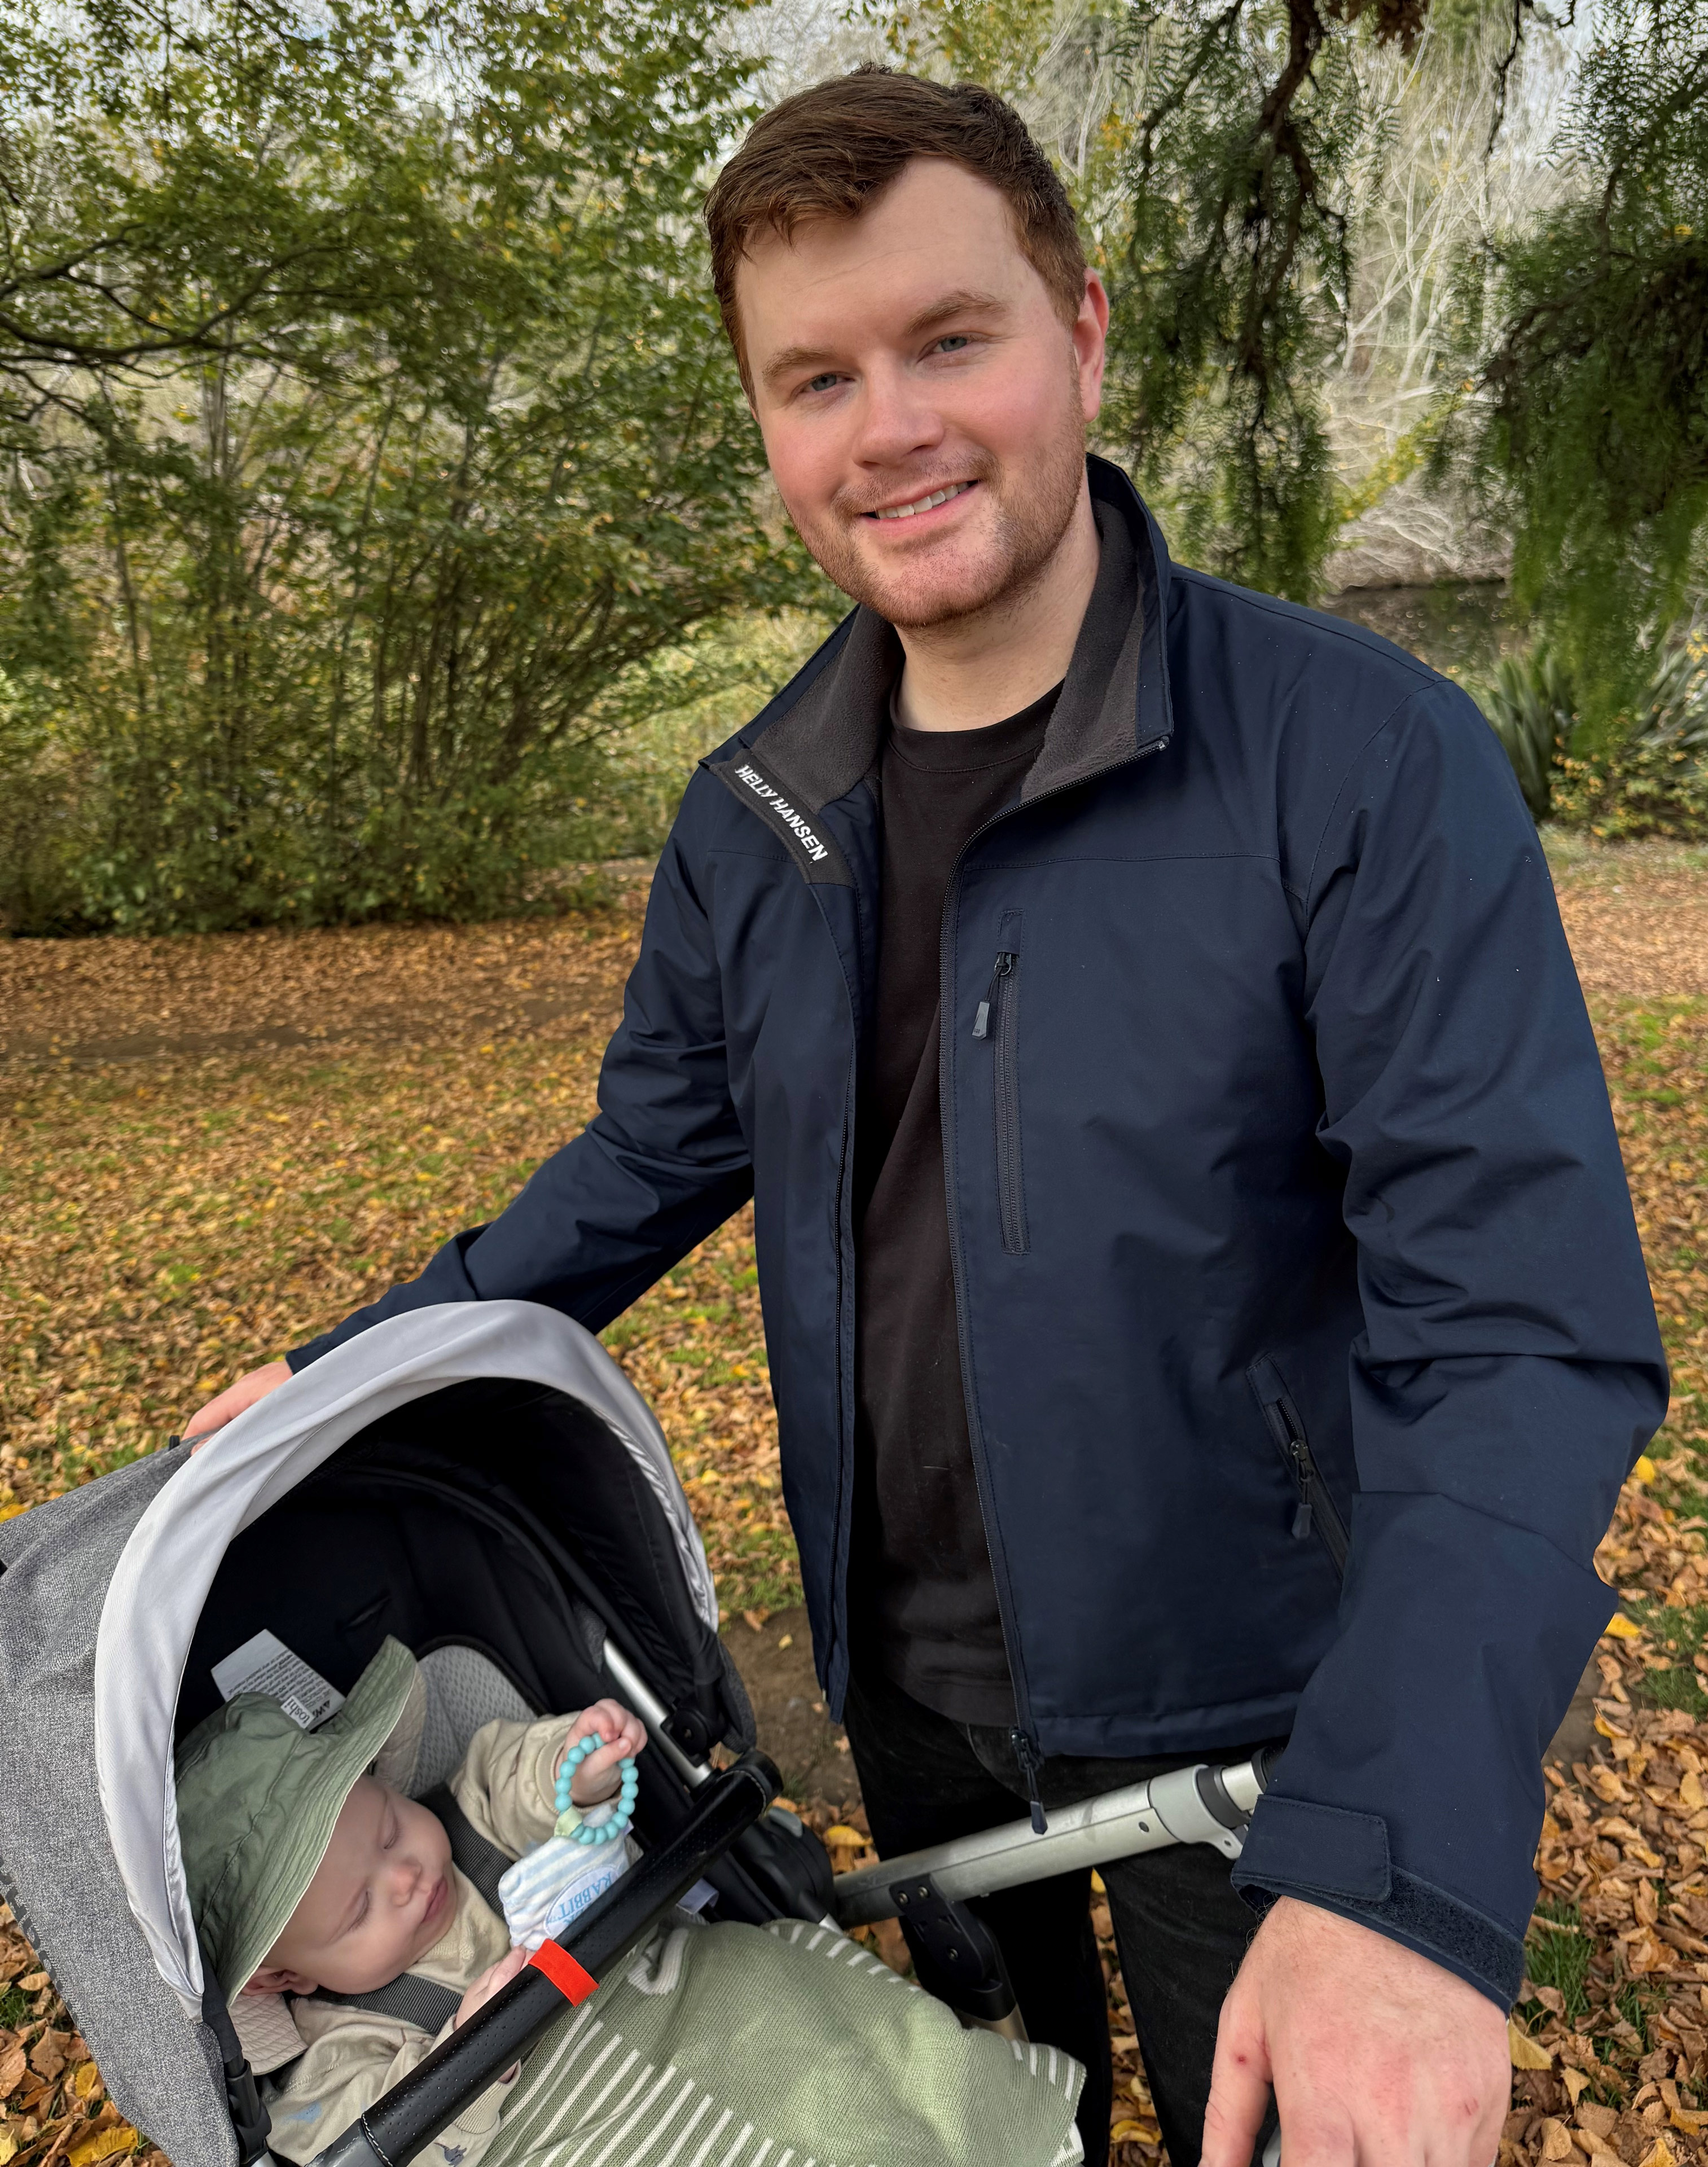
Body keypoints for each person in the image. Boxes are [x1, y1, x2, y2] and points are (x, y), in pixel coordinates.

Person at [186, 66, 1669, 2167]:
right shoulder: (751, 817)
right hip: (906, 1682)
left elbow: (1518, 1331)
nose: (886, 427)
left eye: (948, 339)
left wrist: (1398, 1853)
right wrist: (356, 1367)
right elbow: (644, 1163)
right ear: (767, 427)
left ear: (1079, 334)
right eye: (816, 378)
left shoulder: (1357, 764)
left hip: (1256, 1709)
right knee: (981, 2114)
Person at [176, 1637, 1086, 2167]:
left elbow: (525, 1774)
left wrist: (582, 1767)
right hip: (578, 2125)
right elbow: (352, 2141)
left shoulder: (471, 1809)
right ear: (289, 1977)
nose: (407, 1877)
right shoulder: (339, 2049)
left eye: (388, 1830)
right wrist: (461, 2048)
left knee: (843, 2066)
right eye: (358, 1910)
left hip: (691, 1998)